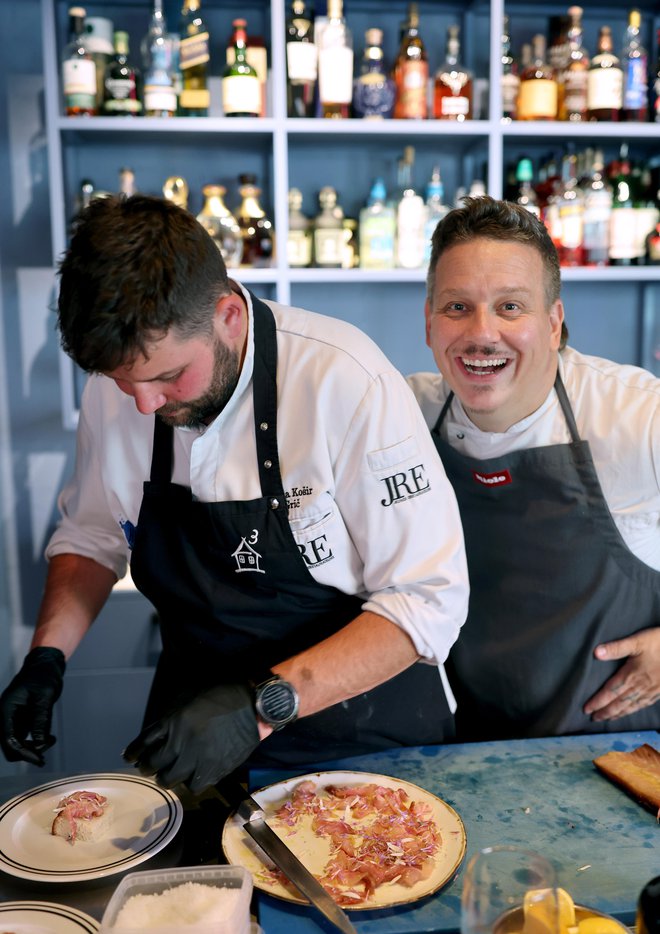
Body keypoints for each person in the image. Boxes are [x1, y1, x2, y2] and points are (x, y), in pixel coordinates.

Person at [0, 194, 469, 791]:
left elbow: (429, 600)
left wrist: (261, 705)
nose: (144, 403)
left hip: (363, 734)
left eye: (170, 376)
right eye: (123, 382)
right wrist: (46, 658)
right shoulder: (113, 393)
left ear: (227, 315)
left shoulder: (344, 380)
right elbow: (92, 536)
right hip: (194, 737)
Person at [408, 195, 660, 741]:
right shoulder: (403, 417)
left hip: (613, 759)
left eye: (510, 307)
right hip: (461, 755)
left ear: (553, 323)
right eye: (457, 307)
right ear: (429, 323)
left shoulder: (640, 416)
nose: (481, 333)